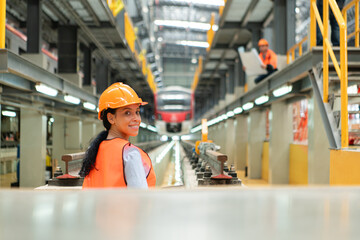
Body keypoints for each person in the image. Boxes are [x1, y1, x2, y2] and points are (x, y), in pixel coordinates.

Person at [79, 82, 156, 188]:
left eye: (137, 112)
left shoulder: (95, 151)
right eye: (127, 113)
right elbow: (140, 199)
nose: (136, 119)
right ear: (111, 118)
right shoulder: (130, 154)